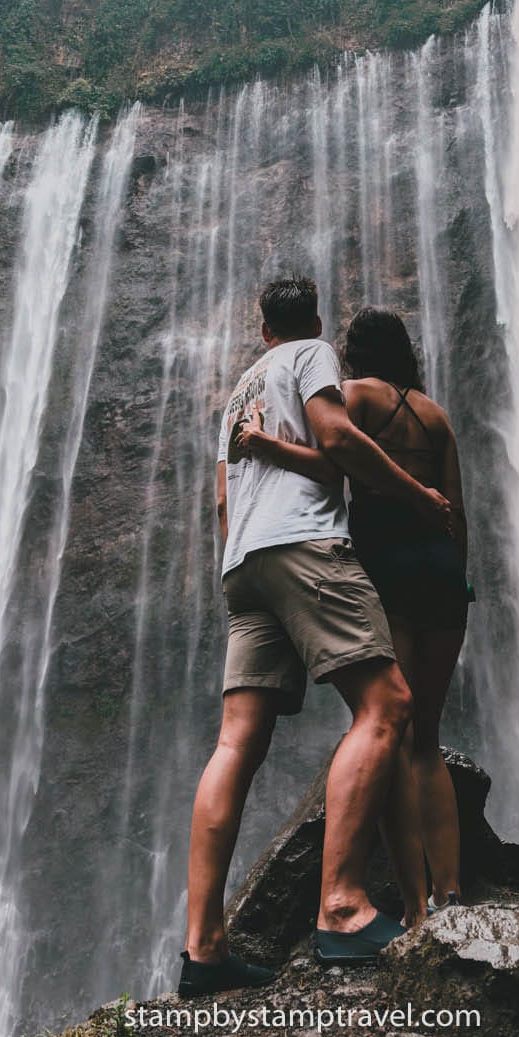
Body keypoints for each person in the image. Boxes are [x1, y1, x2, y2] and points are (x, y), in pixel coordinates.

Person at [180, 278, 454, 997]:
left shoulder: (240, 393)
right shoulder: (312, 357)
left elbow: (221, 498)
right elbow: (337, 439)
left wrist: (238, 570)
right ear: (311, 324)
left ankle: (203, 947)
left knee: (235, 743)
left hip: (242, 565)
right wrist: (417, 494)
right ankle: (342, 905)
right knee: (389, 704)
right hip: (302, 545)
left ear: (262, 325)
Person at [234, 306, 470, 925]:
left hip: (384, 565)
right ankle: (452, 891)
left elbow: (331, 461)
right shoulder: (436, 414)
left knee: (387, 728)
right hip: (440, 574)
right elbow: (456, 511)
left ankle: (417, 907)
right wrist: (458, 580)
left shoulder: (353, 398)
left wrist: (261, 443)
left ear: (354, 353)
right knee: (428, 738)